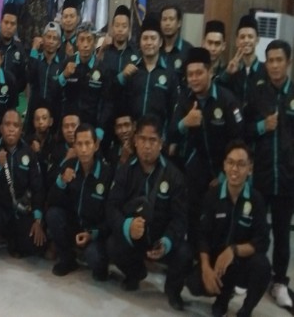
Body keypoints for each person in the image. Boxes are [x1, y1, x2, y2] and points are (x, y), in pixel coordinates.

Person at [106, 114, 192, 311]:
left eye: (152, 140)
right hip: (135, 238)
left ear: (161, 143)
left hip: (161, 238)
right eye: (143, 139)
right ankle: (135, 274)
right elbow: (111, 207)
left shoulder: (174, 176)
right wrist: (127, 227)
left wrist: (166, 242)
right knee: (112, 244)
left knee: (185, 253)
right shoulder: (125, 171)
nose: (147, 145)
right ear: (135, 141)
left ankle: (172, 290)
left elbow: (180, 219)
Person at [186, 141, 271, 317]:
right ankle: (222, 299)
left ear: (250, 169)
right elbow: (202, 236)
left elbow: (262, 241)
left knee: (262, 266)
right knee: (195, 284)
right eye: (230, 162)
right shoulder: (212, 195)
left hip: (241, 263)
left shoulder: (256, 200)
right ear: (224, 165)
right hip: (216, 262)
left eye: (241, 164)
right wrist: (206, 268)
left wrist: (233, 250)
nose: (235, 169)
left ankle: (246, 310)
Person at [170, 47, 243, 245]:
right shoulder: (184, 100)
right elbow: (171, 133)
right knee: (194, 223)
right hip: (195, 173)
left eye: (199, 73)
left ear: (210, 71)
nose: (194, 79)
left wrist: (224, 175)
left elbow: (238, 141)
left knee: (220, 226)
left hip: (225, 173)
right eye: (190, 75)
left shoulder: (227, 100)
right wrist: (185, 122)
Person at [246, 39, 294, 308]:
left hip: (287, 178)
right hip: (261, 176)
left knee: (282, 233)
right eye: (270, 61)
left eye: (279, 60)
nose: (274, 65)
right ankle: (250, 275)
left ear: (288, 62)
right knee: (256, 229)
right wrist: (262, 126)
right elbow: (244, 130)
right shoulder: (257, 93)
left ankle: (279, 282)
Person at [0, 109, 45, 265]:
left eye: (16, 125)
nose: (11, 129)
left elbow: (38, 187)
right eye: (7, 124)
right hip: (0, 211)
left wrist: (37, 219)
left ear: (21, 130)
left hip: (21, 213)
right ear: (1, 128)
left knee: (34, 246)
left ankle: (13, 242)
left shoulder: (29, 153)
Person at [46, 123, 113, 280]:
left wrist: (93, 234)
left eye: (88, 143)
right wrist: (62, 182)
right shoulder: (69, 166)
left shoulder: (107, 173)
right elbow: (51, 200)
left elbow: (112, 214)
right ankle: (68, 260)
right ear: (74, 146)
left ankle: (100, 263)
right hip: (74, 225)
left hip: (95, 232)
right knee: (53, 215)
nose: (83, 149)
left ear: (96, 146)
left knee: (95, 259)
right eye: (79, 144)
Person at [118, 17, 178, 132]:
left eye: (153, 38)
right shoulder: (131, 69)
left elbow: (172, 110)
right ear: (140, 42)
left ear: (160, 42)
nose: (149, 42)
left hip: (158, 135)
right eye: (145, 38)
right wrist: (122, 76)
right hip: (133, 134)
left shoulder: (169, 74)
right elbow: (116, 101)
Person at [217, 15, 265, 110]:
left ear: (257, 40)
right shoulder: (228, 69)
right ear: (237, 41)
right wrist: (227, 74)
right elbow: (216, 92)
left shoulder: (266, 70)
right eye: (242, 37)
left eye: (250, 37)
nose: (246, 40)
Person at [28, 21, 64, 129]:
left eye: (54, 38)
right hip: (35, 110)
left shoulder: (62, 64)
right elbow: (29, 77)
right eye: (48, 37)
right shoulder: (35, 58)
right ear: (43, 39)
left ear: (59, 43)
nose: (51, 41)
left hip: (55, 112)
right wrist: (34, 49)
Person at [0, 4, 27, 96]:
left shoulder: (20, 49)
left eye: (12, 24)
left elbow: (23, 78)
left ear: (16, 26)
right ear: (0, 22)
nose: (9, 27)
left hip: (12, 98)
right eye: (6, 22)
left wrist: (13, 90)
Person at [159, 5, 193, 80]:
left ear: (179, 23)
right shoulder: (155, 48)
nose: (167, 23)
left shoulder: (189, 50)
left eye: (171, 19)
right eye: (164, 19)